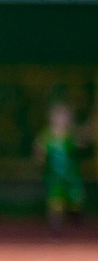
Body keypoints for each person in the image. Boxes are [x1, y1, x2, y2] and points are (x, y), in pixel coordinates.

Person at [35, 100, 87, 233]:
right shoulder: (47, 135)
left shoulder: (71, 134)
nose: (61, 119)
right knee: (55, 202)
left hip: (71, 177)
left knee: (75, 201)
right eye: (58, 116)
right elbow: (39, 149)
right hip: (54, 177)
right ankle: (55, 229)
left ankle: (76, 221)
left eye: (64, 116)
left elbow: (82, 145)